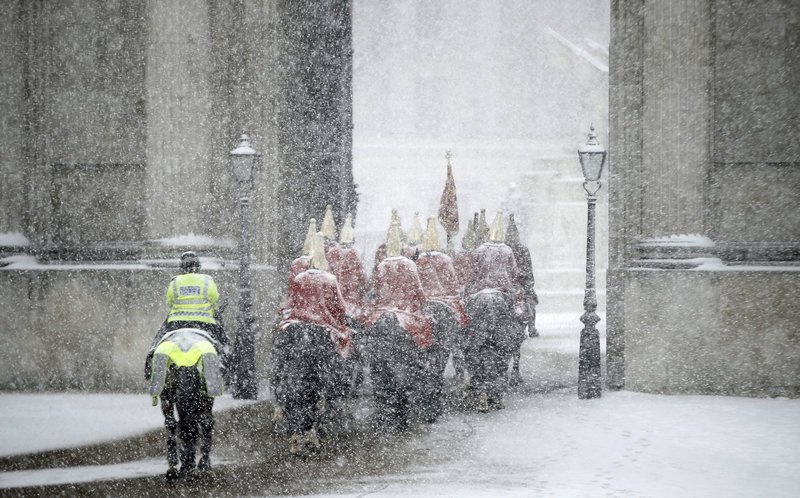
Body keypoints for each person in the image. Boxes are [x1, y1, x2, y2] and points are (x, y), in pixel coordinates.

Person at [273, 232, 354, 454]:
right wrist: (342, 325)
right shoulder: (329, 280)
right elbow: (339, 308)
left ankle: (287, 413)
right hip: (321, 333)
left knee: (287, 370)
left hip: (296, 330)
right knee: (333, 374)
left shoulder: (299, 278)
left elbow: (291, 301)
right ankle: (336, 398)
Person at [463, 210, 525, 411]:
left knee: (475, 348)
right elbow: (515, 275)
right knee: (502, 348)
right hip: (502, 296)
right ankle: (496, 394)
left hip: (479, 296)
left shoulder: (479, 250)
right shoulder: (507, 251)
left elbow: (471, 275)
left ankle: (480, 391)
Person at [146, 251, 228, 379]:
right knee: (223, 343)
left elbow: (170, 301)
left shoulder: (175, 281)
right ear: (199, 266)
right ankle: (226, 370)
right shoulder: (207, 281)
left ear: (182, 267)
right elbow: (214, 300)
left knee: (159, 340)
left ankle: (150, 365)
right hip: (204, 322)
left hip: (177, 322)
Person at [505, 213, 539, 338]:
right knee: (530, 300)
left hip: (517, 281)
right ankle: (532, 327)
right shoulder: (509, 249)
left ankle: (531, 326)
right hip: (510, 282)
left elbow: (527, 268)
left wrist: (525, 281)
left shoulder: (520, 249)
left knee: (530, 300)